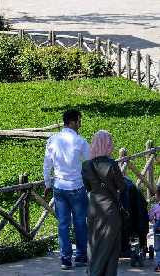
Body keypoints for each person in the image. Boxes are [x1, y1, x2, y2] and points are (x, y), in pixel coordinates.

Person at [43, 110, 90, 270]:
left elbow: (47, 164)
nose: (80, 124)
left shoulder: (52, 140)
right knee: (80, 223)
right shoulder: (80, 141)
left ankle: (65, 259)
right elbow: (90, 163)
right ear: (72, 122)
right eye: (79, 121)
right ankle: (81, 256)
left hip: (59, 187)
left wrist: (47, 183)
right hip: (76, 186)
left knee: (63, 224)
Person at [82, 130, 126, 276]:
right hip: (110, 211)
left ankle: (92, 271)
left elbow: (88, 187)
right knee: (111, 247)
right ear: (108, 144)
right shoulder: (112, 164)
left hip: (94, 209)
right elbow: (122, 187)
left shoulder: (86, 166)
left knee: (94, 245)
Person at [149, 185, 160, 273]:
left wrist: (153, 221)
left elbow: (150, 217)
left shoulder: (155, 207)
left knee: (158, 249)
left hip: (158, 231)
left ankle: (159, 266)